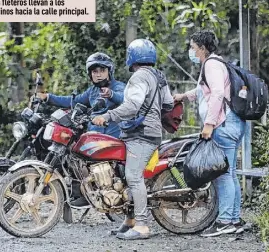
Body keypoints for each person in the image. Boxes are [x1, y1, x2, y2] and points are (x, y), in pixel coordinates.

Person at [92, 39, 174, 240]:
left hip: (141, 134)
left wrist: (108, 116)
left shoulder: (138, 77)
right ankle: (129, 221)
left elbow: (132, 107)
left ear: (131, 57)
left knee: (134, 176)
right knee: (123, 174)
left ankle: (143, 226)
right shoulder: (158, 76)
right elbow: (169, 104)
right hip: (145, 132)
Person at [174, 30, 246, 237]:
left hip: (223, 125)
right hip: (232, 123)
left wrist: (209, 124)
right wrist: (182, 96)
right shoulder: (217, 63)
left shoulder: (212, 64)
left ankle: (224, 221)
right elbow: (202, 92)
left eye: (193, 47)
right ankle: (233, 219)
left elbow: (217, 93)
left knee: (222, 175)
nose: (191, 51)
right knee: (229, 173)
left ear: (202, 48)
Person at [36, 52, 126, 207]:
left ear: (109, 72)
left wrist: (111, 94)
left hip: (113, 138)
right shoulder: (92, 91)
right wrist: (48, 97)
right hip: (94, 137)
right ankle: (86, 191)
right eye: (94, 72)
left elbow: (126, 99)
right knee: (71, 154)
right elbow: (73, 101)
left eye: (102, 71)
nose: (98, 75)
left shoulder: (118, 87)